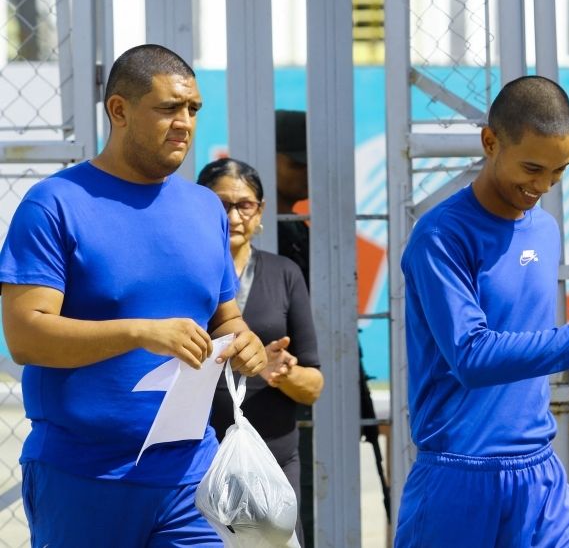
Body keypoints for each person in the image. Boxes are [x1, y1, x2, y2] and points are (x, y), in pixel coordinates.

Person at [0, 44, 267, 546]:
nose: (185, 122)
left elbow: (225, 319)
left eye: (192, 109)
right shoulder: (54, 204)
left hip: (192, 474)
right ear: (119, 110)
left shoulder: (205, 208)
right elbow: (25, 336)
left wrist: (243, 341)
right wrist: (139, 333)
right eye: (168, 108)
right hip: (83, 475)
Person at [394, 75, 569, 547]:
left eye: (560, 171)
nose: (543, 185)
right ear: (490, 142)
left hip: (539, 479)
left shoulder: (545, 230)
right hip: (459, 479)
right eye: (533, 168)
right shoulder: (440, 237)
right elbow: (472, 356)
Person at [273, 109, 391, 531]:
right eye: (296, 163)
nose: (306, 174)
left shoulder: (300, 231)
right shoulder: (265, 236)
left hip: (306, 385)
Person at [197, 157, 324, 543]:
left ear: (261, 211)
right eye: (221, 205)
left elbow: (314, 385)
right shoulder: (187, 272)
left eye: (244, 204)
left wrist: (283, 372)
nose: (234, 216)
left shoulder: (284, 273)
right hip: (199, 458)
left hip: (272, 459)